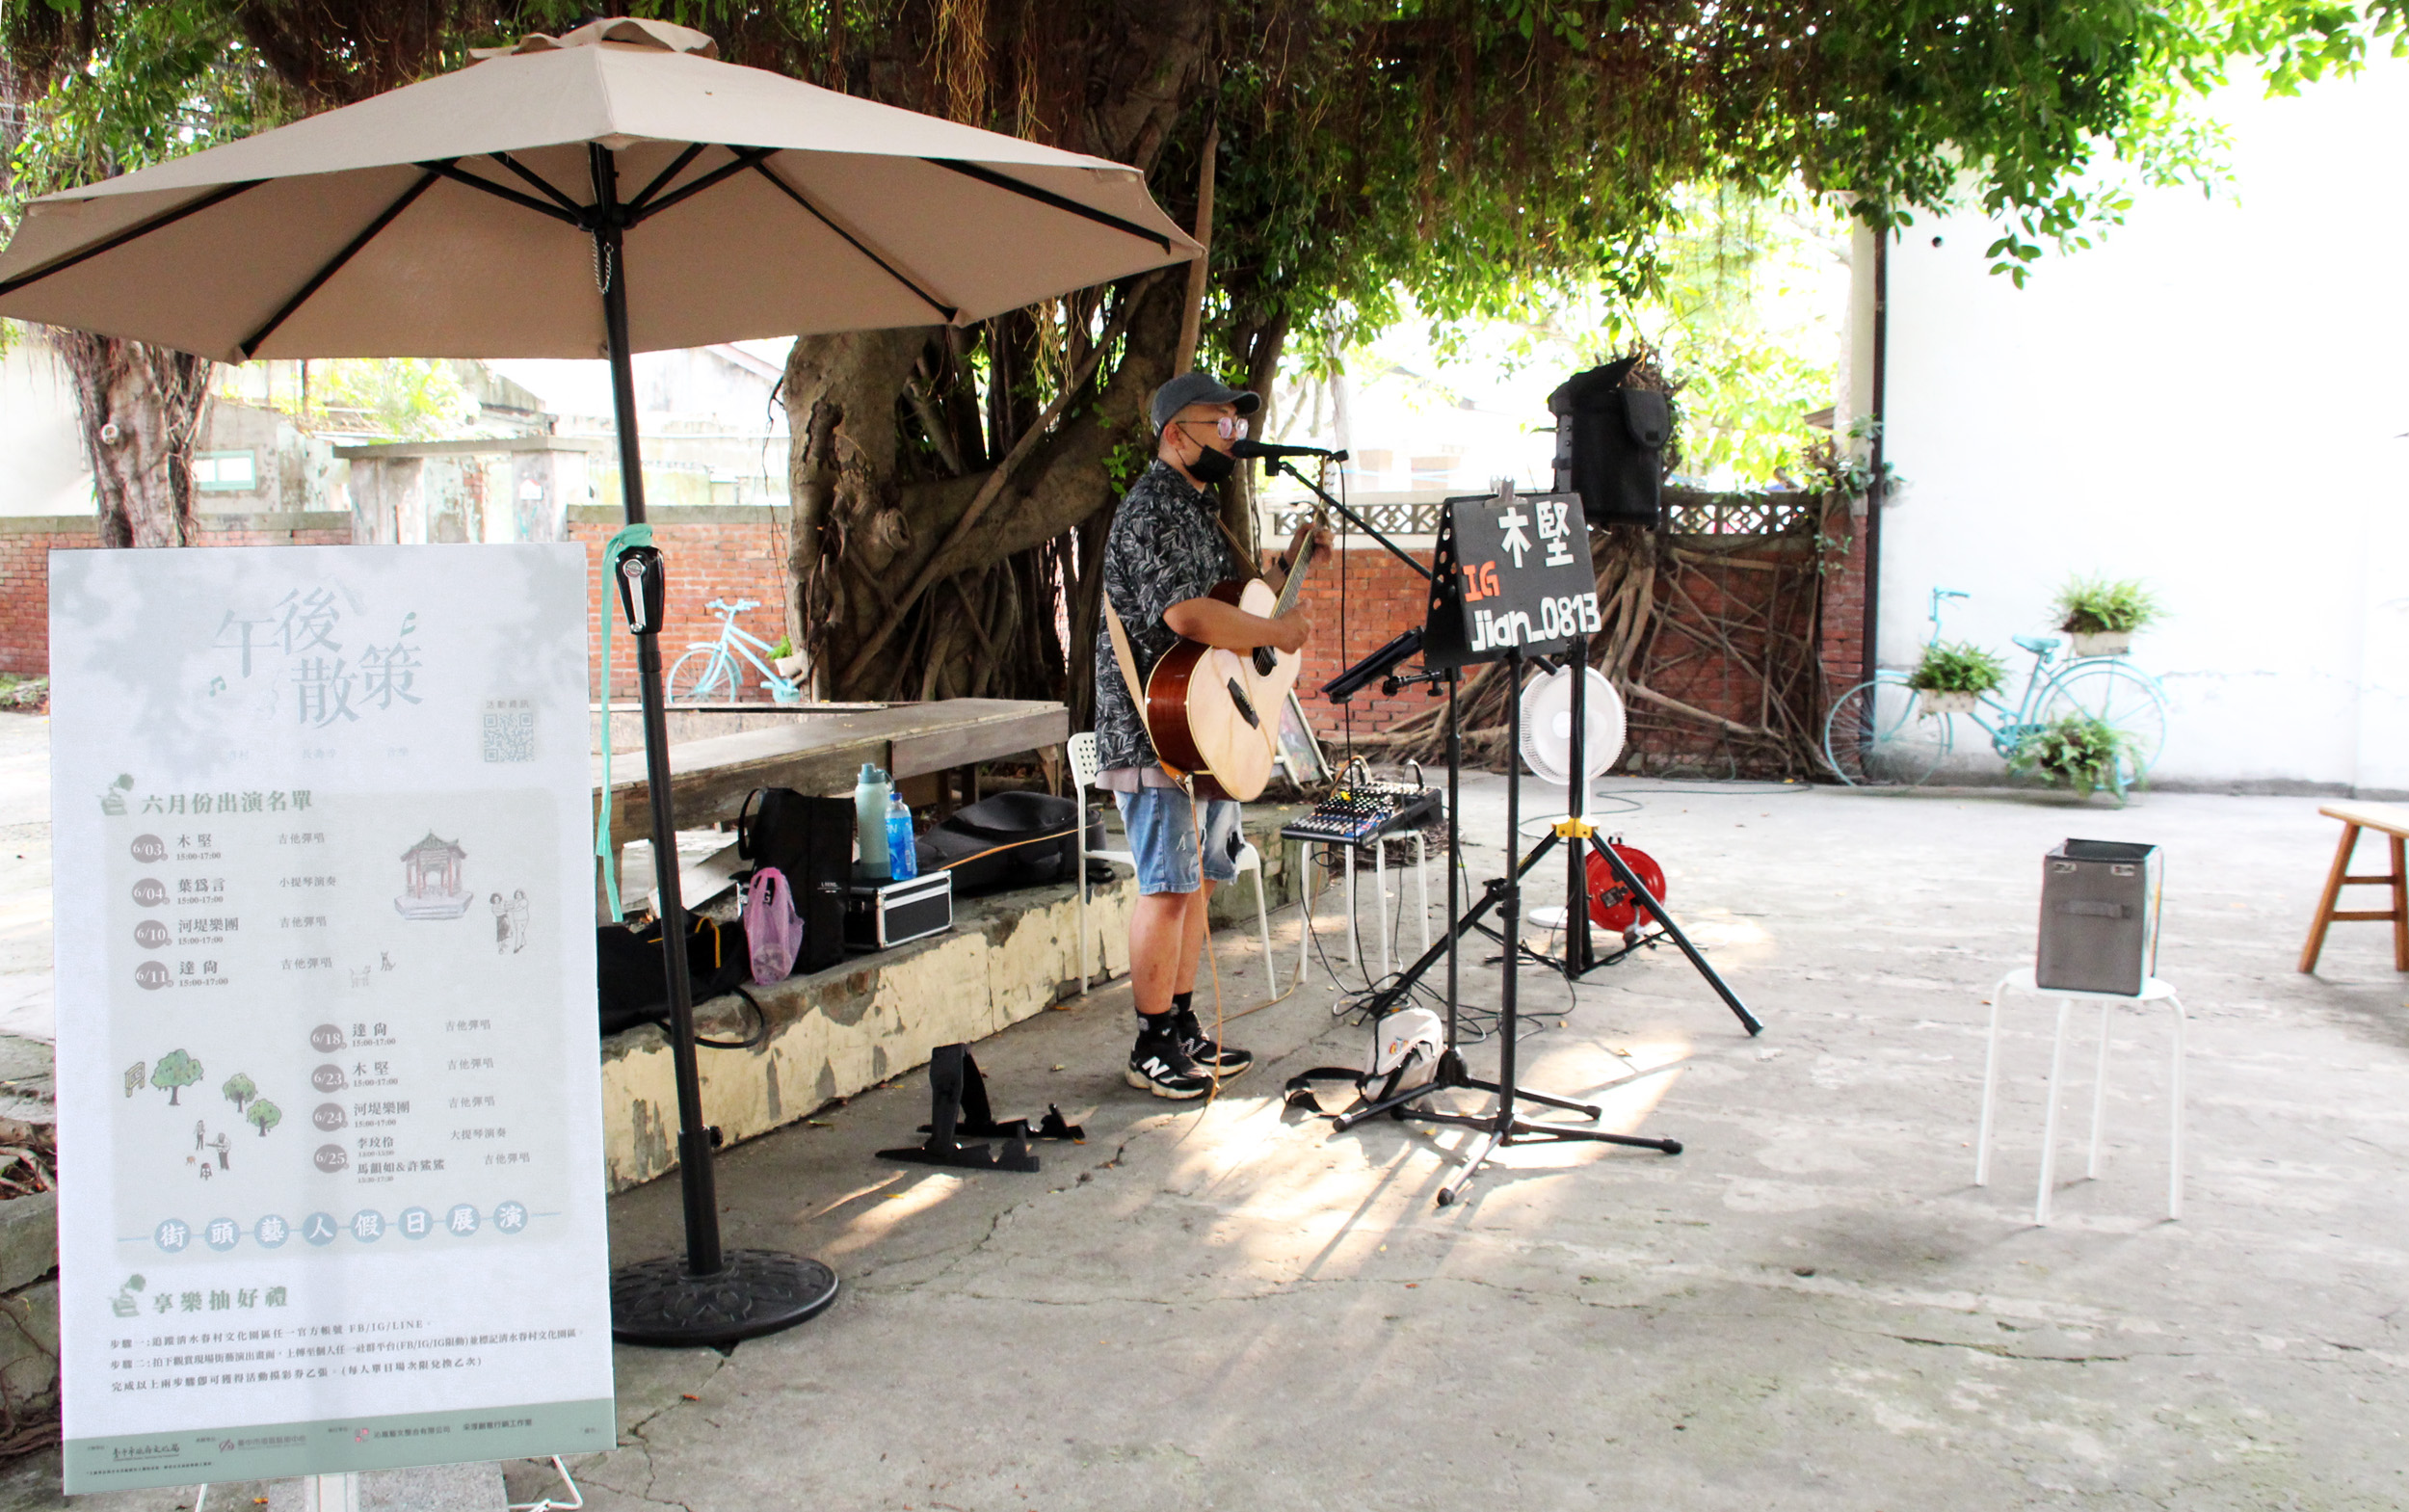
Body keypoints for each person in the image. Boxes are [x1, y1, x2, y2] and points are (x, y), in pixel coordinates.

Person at [1094, 372, 1326, 1099]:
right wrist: (1279, 629)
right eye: (1219, 423)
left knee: (1191, 884)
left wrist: (1284, 574)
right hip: (1156, 725)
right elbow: (1189, 618)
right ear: (1174, 434)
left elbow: (1230, 607)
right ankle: (1150, 1041)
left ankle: (1182, 1023)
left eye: (1236, 422)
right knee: (1166, 887)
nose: (1233, 434)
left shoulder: (1197, 510)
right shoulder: (1154, 509)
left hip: (1203, 723)